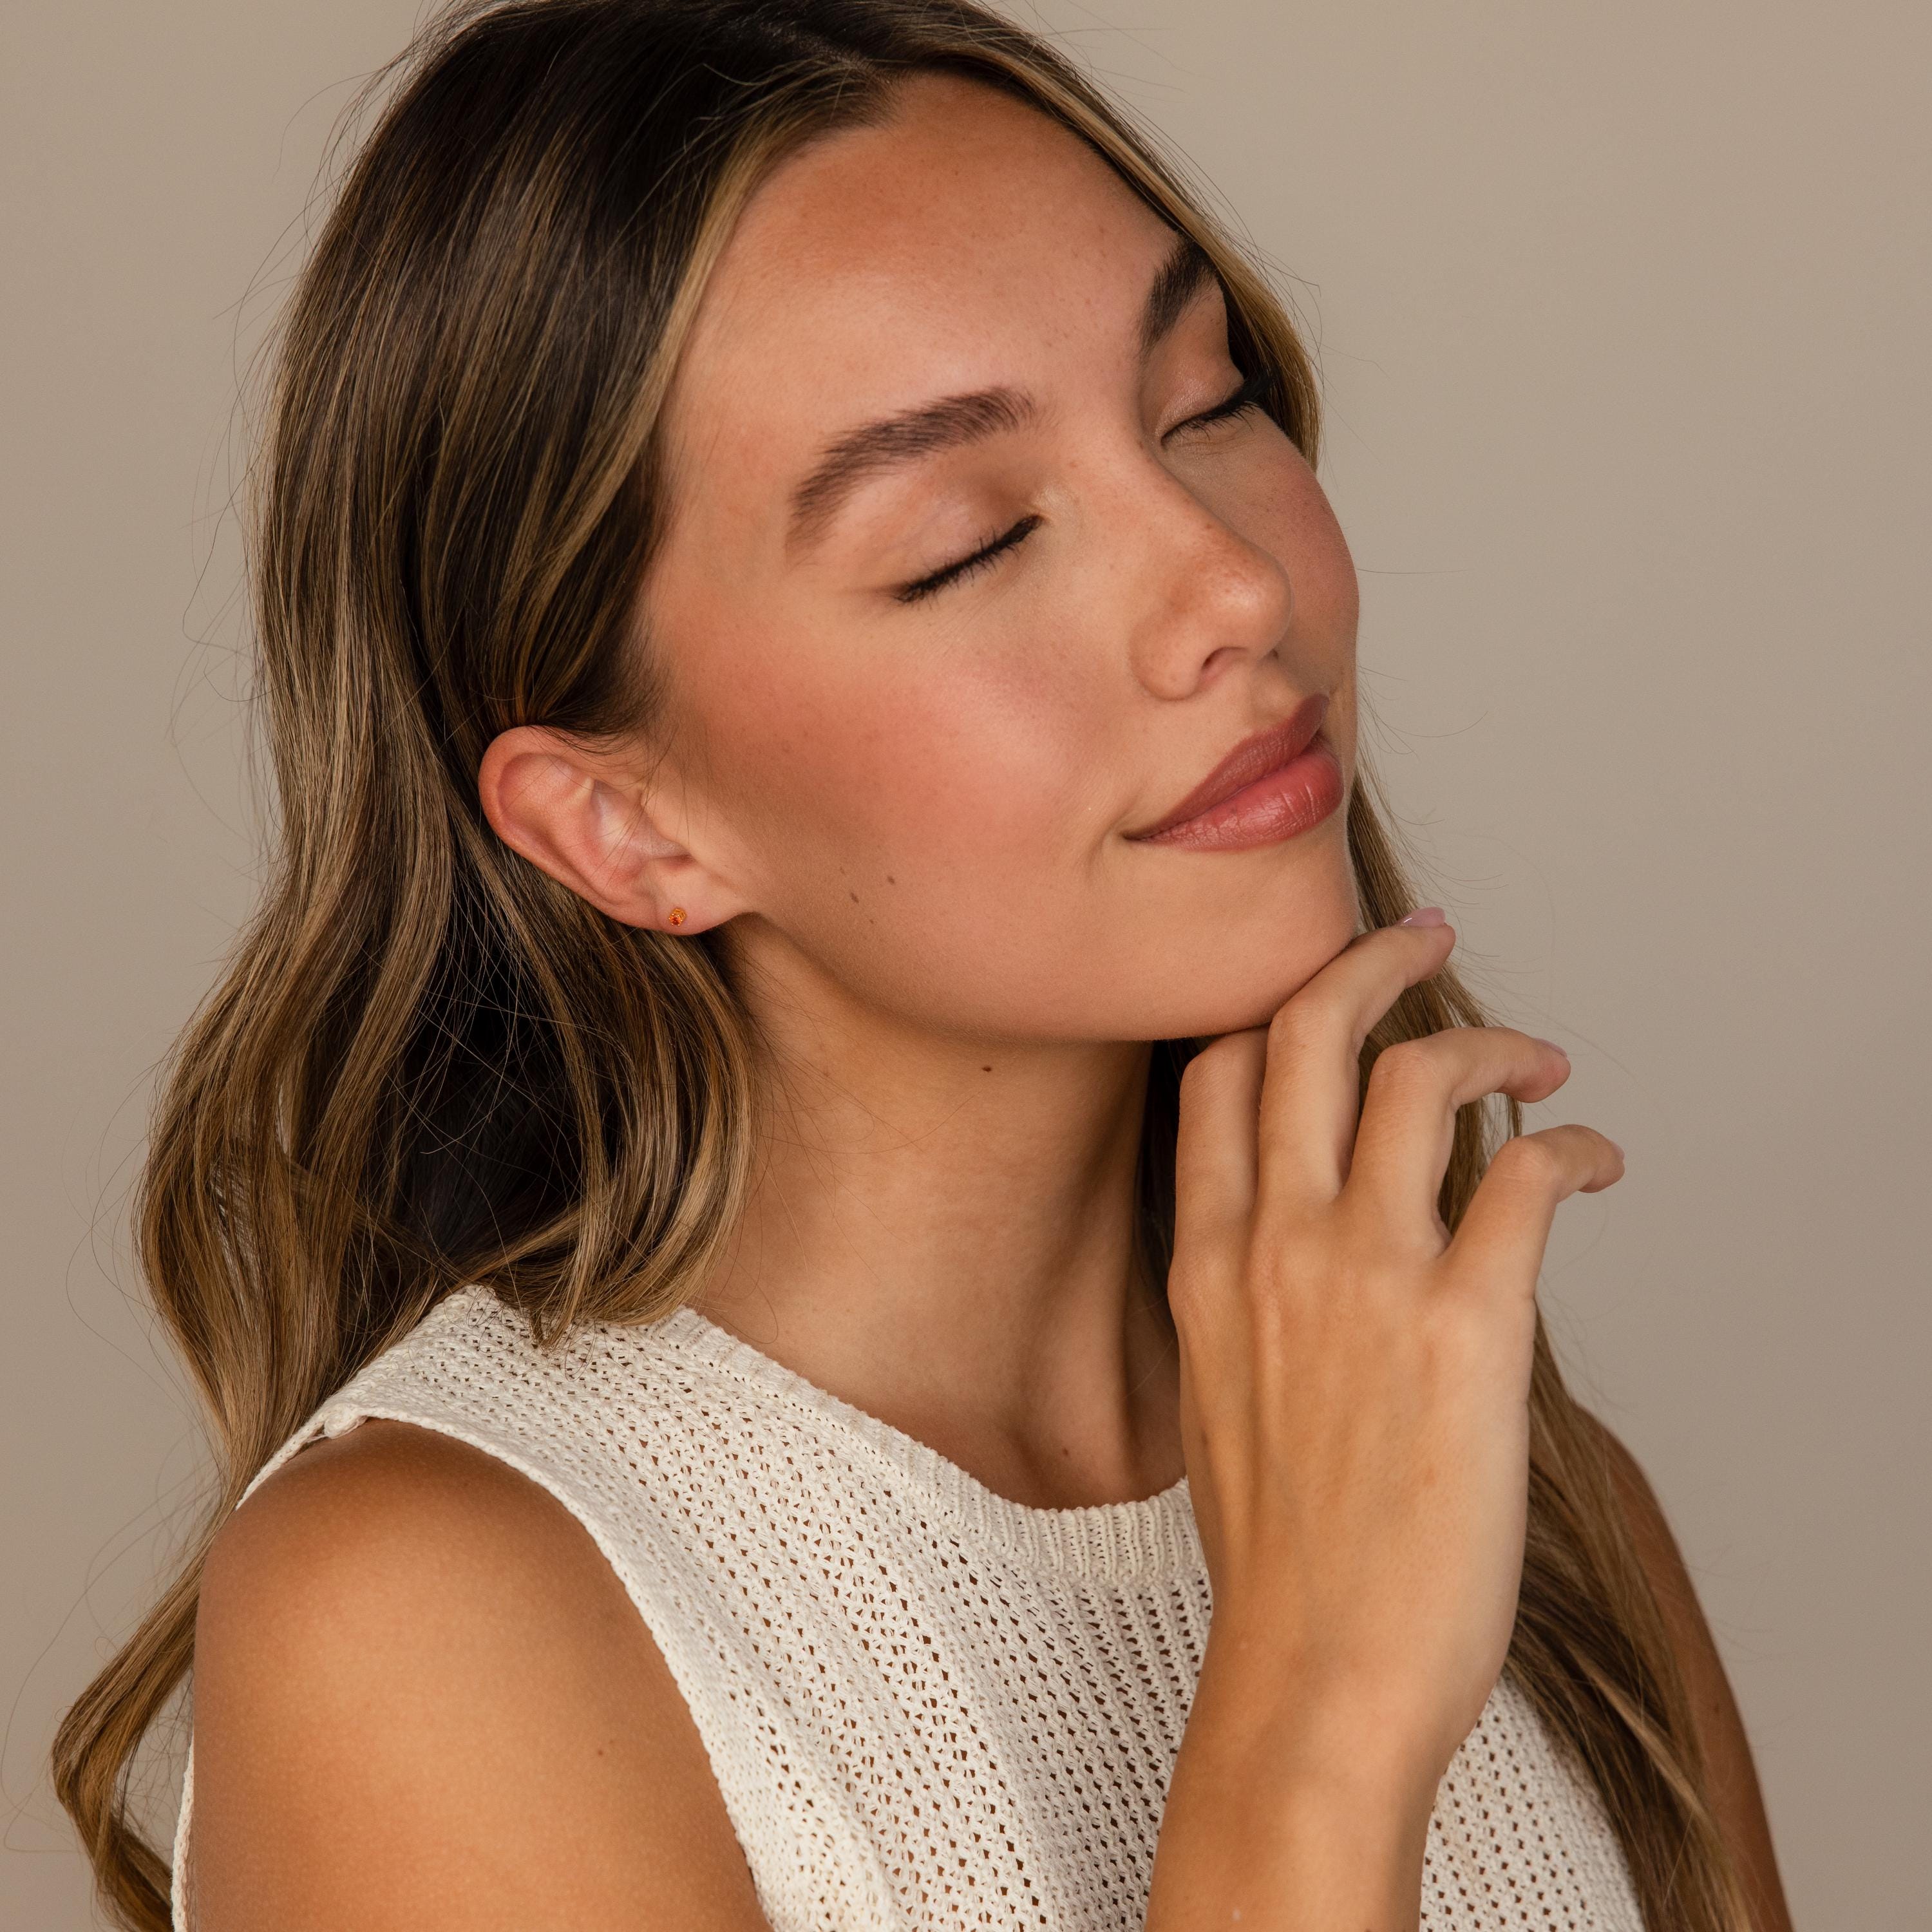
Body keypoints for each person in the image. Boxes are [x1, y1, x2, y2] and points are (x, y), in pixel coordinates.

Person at [53, 3, 1794, 1928]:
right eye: (970, 543)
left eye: (1206, 404)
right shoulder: (434, 1617)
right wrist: (1316, 1737)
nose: (1234, 586)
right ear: (624, 827)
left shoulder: (1509, 1498)